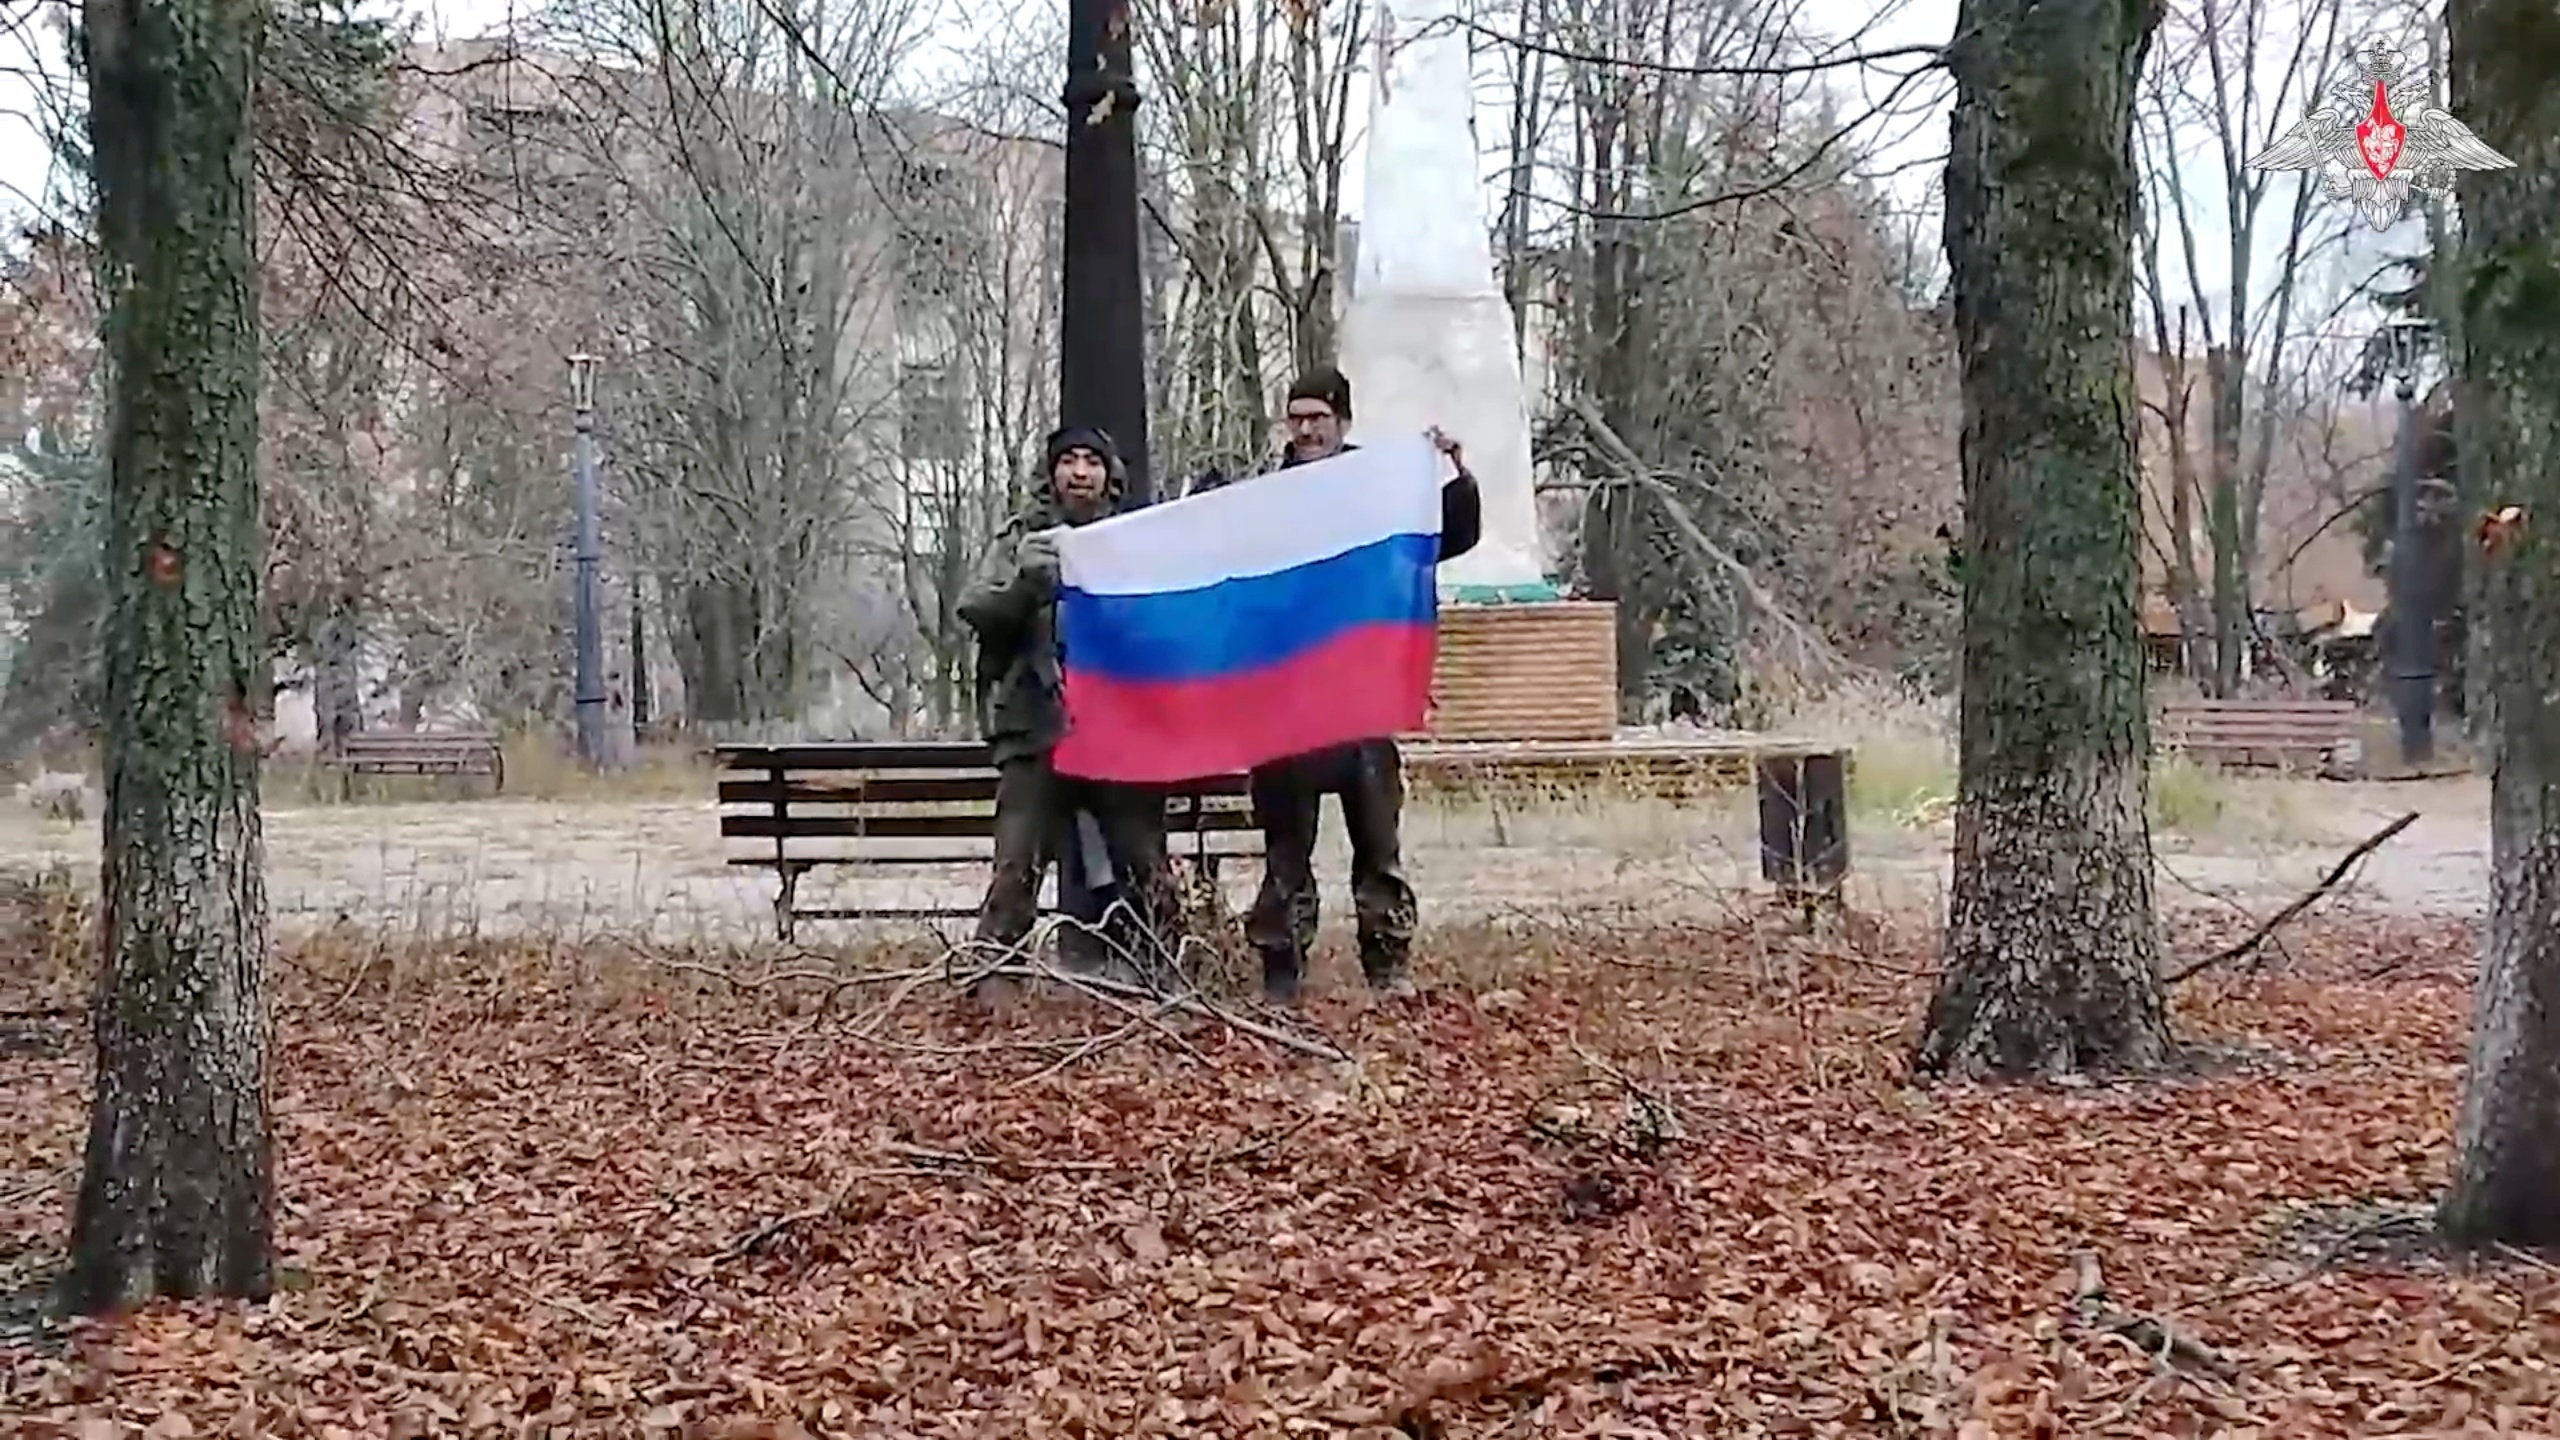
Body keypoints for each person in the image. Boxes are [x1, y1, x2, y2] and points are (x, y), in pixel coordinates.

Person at [1189, 366, 1482, 1002]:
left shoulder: (1379, 495)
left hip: (1361, 706)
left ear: (1343, 421)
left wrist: (1456, 476)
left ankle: (1388, 966)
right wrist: (1206, 510)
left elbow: (1447, 536)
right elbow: (1223, 567)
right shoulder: (1268, 499)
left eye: (1319, 417)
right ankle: (1282, 968)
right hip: (1286, 711)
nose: (1307, 428)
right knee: (1286, 855)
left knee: (1378, 849)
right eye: (1297, 417)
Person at [958, 426, 1179, 994]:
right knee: (1017, 866)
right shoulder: (1021, 540)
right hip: (1037, 726)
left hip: (1117, 728)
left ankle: (1168, 975)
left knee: (1145, 861)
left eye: (1091, 462)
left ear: (1110, 475)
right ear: (1052, 472)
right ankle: (994, 982)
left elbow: (1168, 627)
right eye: (1069, 461)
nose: (1080, 472)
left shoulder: (1135, 540)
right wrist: (1026, 587)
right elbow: (977, 608)